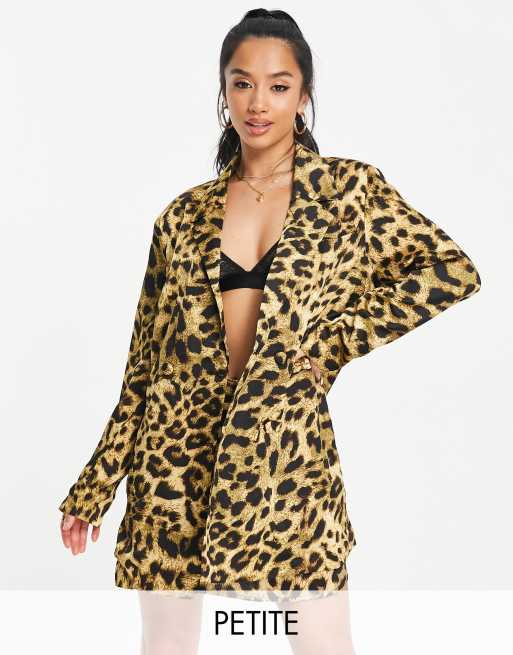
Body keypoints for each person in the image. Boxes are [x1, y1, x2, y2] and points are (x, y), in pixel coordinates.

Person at [58, 9, 481, 655]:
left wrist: (334, 344)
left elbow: (451, 271)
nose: (258, 103)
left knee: (323, 643)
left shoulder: (348, 192)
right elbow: (143, 368)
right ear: (223, 91)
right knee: (166, 647)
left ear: (304, 95)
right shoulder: (181, 217)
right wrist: (95, 485)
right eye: (242, 83)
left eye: (279, 86)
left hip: (288, 455)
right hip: (174, 460)